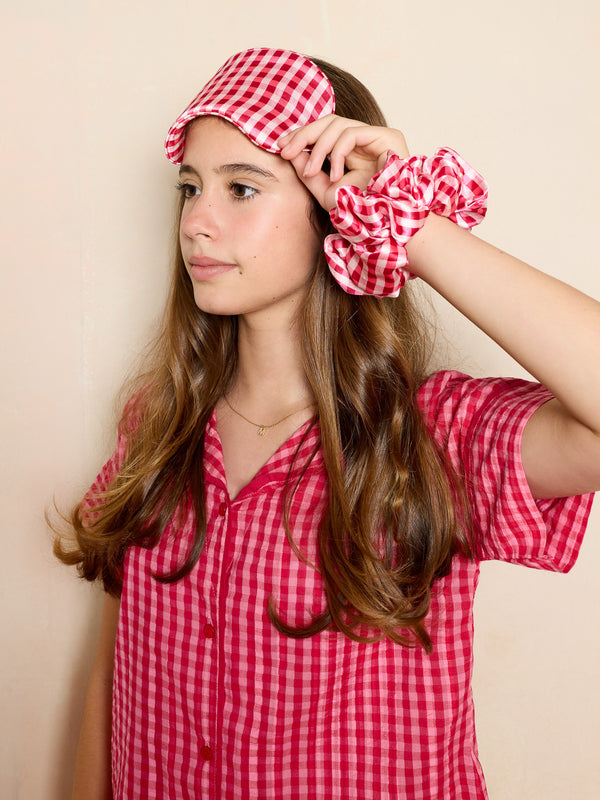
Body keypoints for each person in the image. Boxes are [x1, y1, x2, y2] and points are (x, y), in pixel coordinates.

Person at [53, 48, 600, 800]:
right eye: (190, 188)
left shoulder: (433, 436)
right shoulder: (155, 422)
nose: (196, 223)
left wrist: (407, 223)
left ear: (333, 208)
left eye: (242, 187)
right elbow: (113, 675)